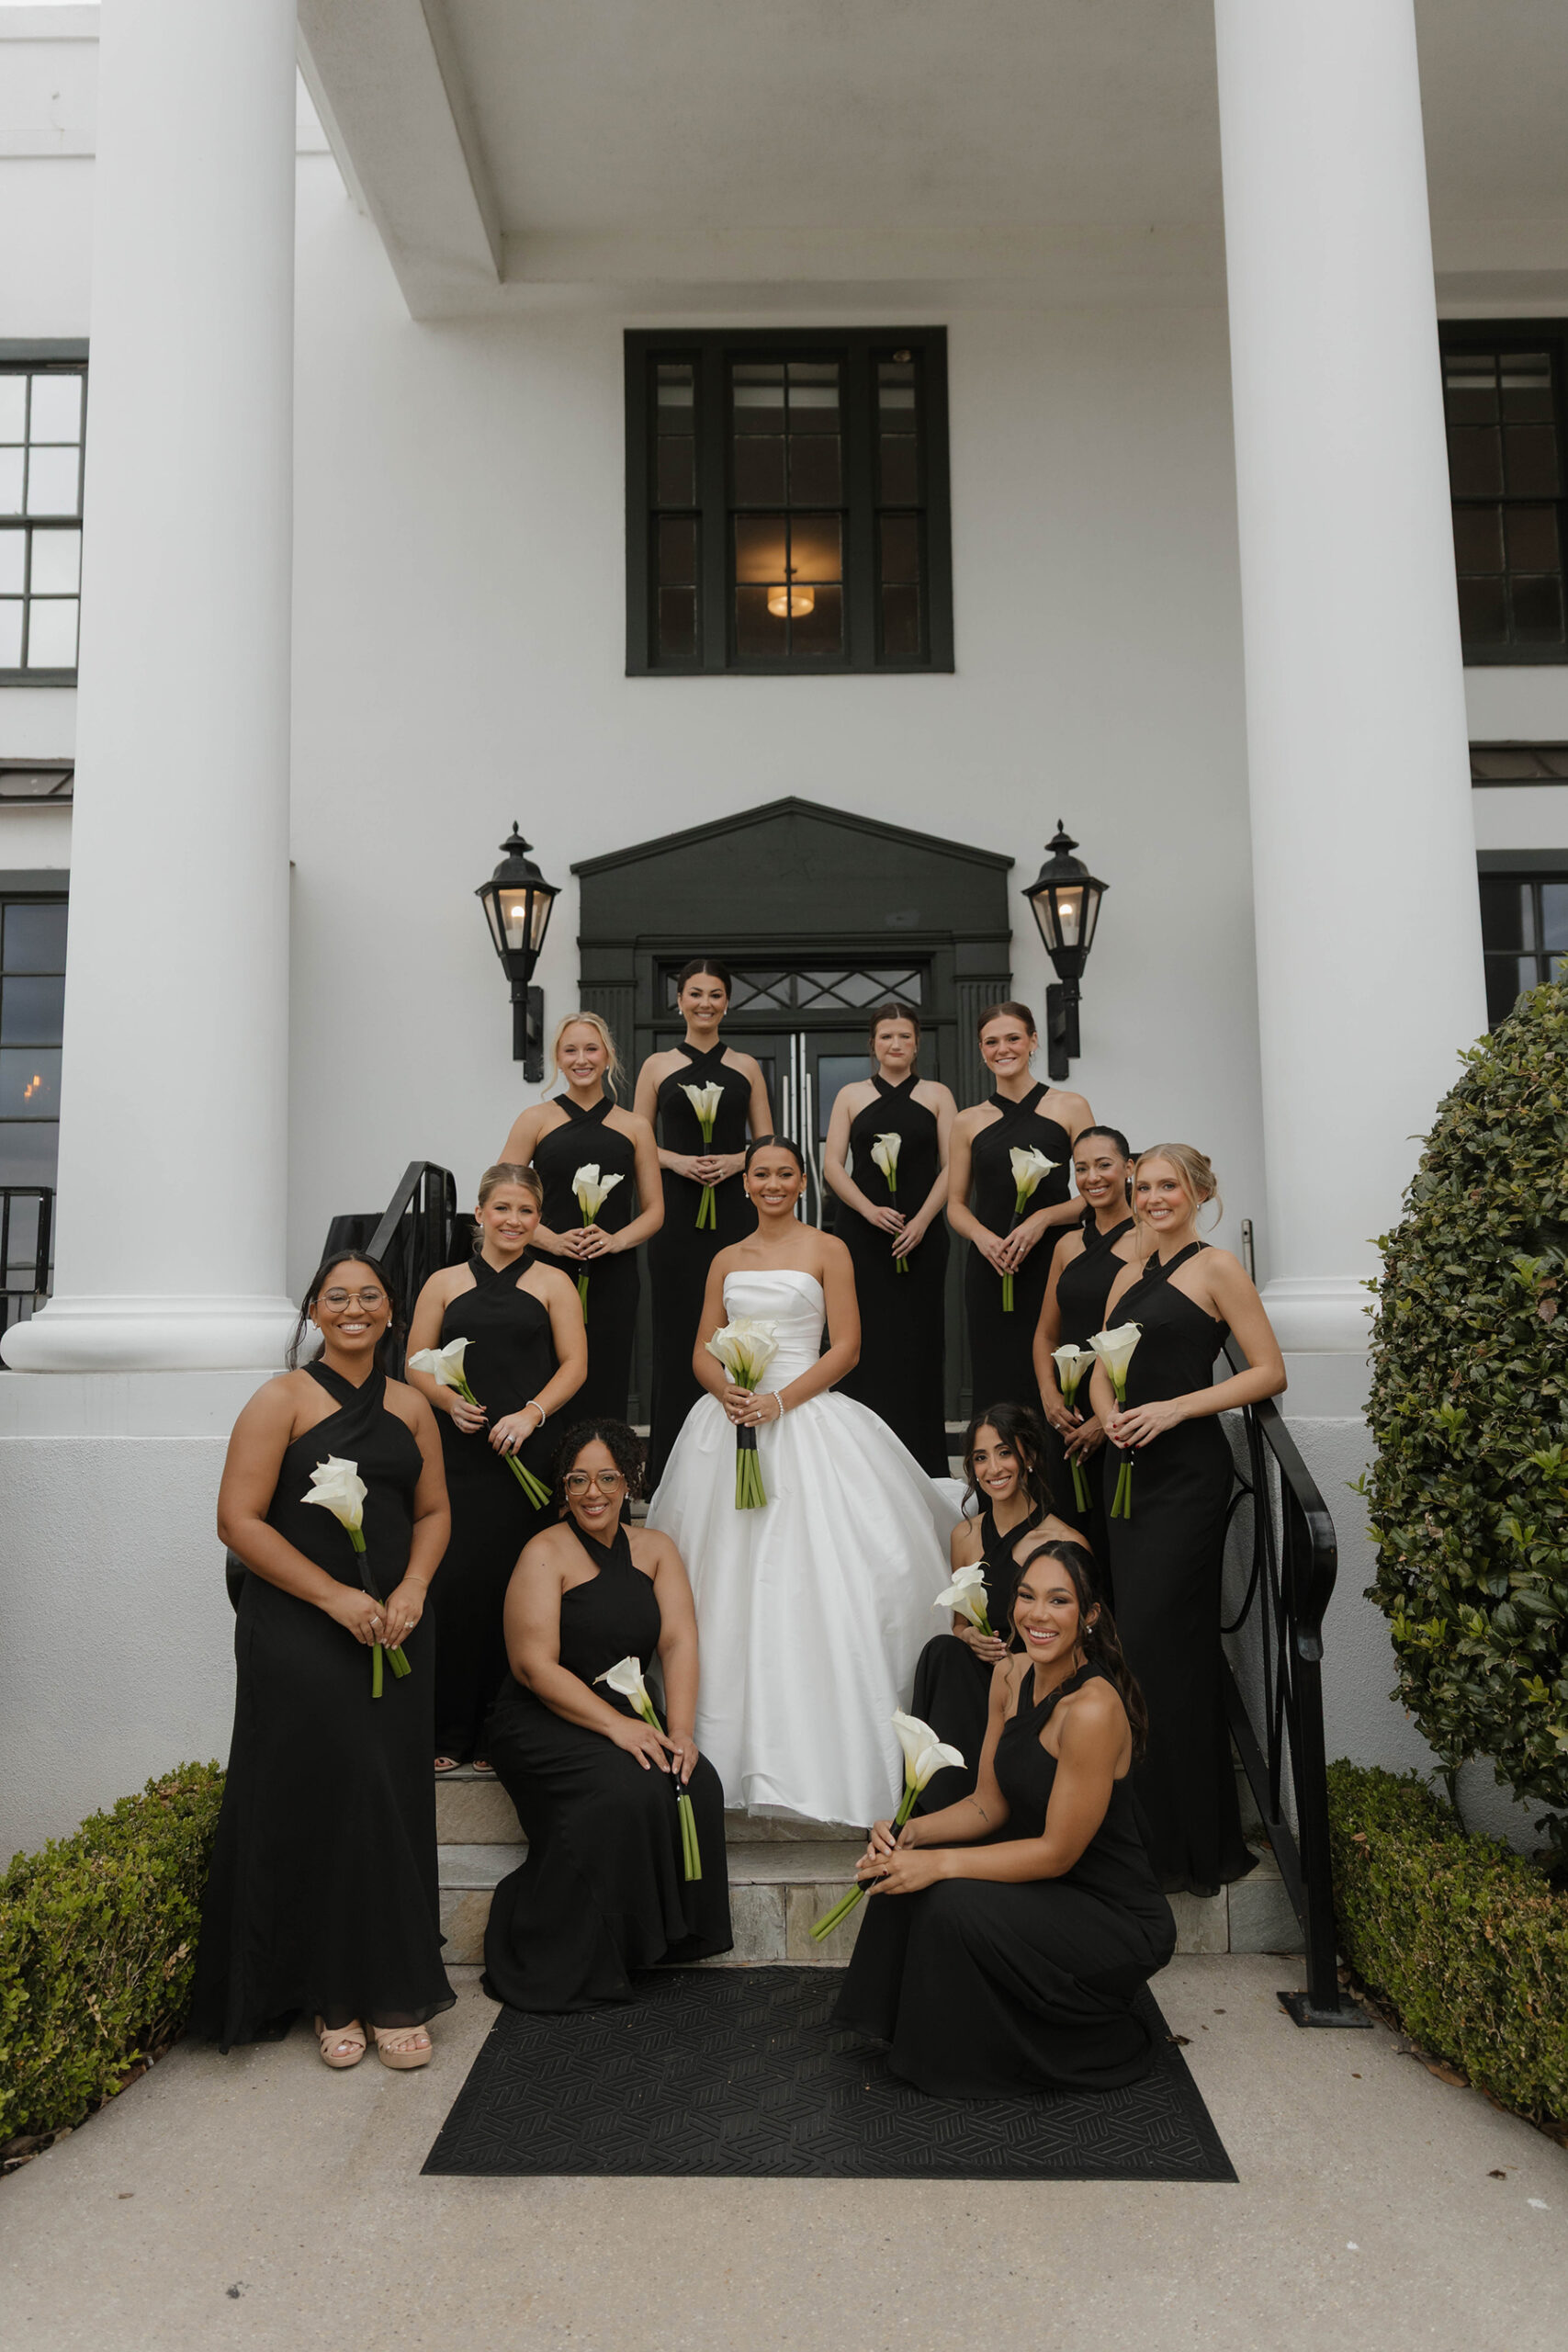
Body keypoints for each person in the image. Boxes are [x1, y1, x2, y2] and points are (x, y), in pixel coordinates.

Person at [648, 1136, 964, 1828]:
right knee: (722, 1573)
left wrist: (778, 1402)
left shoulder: (829, 1249)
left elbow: (846, 1346)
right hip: (729, 1419)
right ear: (745, 1183)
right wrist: (728, 1392)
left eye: (783, 1174)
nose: (770, 1183)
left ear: (800, 1183)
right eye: (759, 1173)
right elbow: (701, 1347)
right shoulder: (726, 1258)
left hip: (802, 1409)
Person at [191, 1254, 454, 2070]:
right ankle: (331, 1995)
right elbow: (238, 1521)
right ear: (313, 1310)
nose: (353, 1308)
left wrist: (413, 1586)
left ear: (391, 1311)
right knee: (326, 1792)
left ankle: (391, 1985)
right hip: (300, 1630)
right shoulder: (281, 1399)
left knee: (387, 1798)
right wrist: (335, 1597)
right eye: (336, 1296)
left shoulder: (412, 1405)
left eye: (369, 1296)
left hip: (396, 1630)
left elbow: (434, 1511)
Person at [833, 1540, 1176, 2098]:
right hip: (1049, 1890)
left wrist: (939, 1866)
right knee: (906, 1866)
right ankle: (895, 2025)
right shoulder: (1010, 1674)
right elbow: (988, 1803)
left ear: (1089, 1615)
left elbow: (1056, 1853)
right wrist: (911, 1833)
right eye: (1026, 1596)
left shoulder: (1091, 1709)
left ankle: (974, 2052)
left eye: (1059, 1600)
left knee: (947, 1895)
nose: (1038, 1615)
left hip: (1111, 1915)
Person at [1090, 1144, 1286, 1896]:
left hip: (1186, 1476)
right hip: (1126, 1472)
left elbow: (1266, 1371)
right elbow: (1101, 1369)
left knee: (1162, 1647)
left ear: (1199, 1192)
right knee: (1137, 1650)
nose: (1151, 1198)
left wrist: (1175, 1408)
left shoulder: (1216, 1269)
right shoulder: (1125, 1275)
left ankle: (1191, 1846)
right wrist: (1108, 1415)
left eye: (1166, 1186)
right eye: (1142, 1187)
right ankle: (1145, 1836)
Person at [481, 1420, 732, 2009]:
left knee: (695, 1781)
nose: (592, 1492)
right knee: (624, 1792)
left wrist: (680, 1731)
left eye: (607, 1478)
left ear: (629, 1482)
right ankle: (567, 1947)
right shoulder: (544, 1552)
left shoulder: (657, 1550)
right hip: (541, 1715)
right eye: (578, 1480)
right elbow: (532, 1667)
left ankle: (663, 1941)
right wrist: (617, 1727)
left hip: (627, 1710)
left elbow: (678, 1643)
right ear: (563, 1486)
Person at [407, 1165, 586, 1773]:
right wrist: (447, 1401)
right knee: (455, 1585)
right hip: (458, 1455)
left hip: (528, 1452)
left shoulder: (555, 1282)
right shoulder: (443, 1282)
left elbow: (575, 1364)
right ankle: (448, 1730)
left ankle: (499, 1733)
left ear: (539, 1220)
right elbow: (414, 1362)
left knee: (519, 1589)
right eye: (503, 1209)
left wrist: (532, 1415)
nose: (514, 1221)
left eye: (526, 1211)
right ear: (480, 1214)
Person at [910, 1402, 1091, 1814]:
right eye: (980, 1457)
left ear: (1028, 1457)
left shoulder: (1066, 1543)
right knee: (942, 1651)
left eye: (1004, 1452)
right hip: (980, 1679)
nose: (993, 1468)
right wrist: (969, 1638)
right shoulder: (964, 1537)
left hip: (1034, 1686)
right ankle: (936, 1807)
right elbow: (959, 1624)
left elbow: (1083, 1643)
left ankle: (977, 1811)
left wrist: (1024, 1662)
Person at [634, 959, 772, 1487]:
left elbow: (767, 1143)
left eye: (715, 994)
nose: (705, 1003)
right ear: (679, 1001)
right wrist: (678, 1162)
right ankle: (672, 1472)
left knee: (736, 1329)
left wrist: (737, 1162)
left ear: (727, 1003)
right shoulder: (656, 1066)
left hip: (735, 1211)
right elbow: (636, 1140)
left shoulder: (746, 1066)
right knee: (678, 1334)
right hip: (675, 1215)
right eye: (695, 993)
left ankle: (738, 1458)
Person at [501, 1012, 663, 1425]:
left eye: (591, 1049)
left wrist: (616, 1240)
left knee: (606, 1372)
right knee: (544, 1370)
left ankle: (603, 1462)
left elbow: (655, 1211)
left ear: (607, 1056)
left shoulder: (635, 1126)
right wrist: (551, 1240)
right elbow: (500, 1198)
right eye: (570, 1050)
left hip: (614, 1275)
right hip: (544, 1271)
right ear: (558, 1058)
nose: (581, 1059)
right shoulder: (534, 1120)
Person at [824, 1000, 955, 1475]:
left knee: (919, 1344)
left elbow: (953, 1165)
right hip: (864, 1238)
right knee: (867, 1342)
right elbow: (832, 1165)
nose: (895, 1044)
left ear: (917, 1044)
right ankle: (862, 1462)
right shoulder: (850, 1095)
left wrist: (921, 1221)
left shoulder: (938, 1095)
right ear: (872, 1044)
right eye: (886, 1036)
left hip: (923, 1239)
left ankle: (924, 1462)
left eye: (904, 1036)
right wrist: (868, 1210)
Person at [948, 1001, 1093, 1422]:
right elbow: (956, 1205)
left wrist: (1042, 1219)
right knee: (997, 1377)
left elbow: (1097, 1193)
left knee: (1058, 1373)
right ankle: (1002, 1461)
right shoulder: (967, 1121)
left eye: (1013, 1038)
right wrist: (982, 1238)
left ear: (1033, 1041)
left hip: (1055, 1261)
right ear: (981, 1050)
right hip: (992, 1266)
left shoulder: (1070, 1106)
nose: (1003, 1049)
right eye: (991, 1042)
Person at [1033, 1125, 1146, 1560]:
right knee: (1069, 1538)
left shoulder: (1149, 1240)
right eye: (1081, 1168)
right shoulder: (1066, 1245)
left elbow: (1150, 1339)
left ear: (1128, 1168)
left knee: (1116, 1536)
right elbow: (1046, 1333)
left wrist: (1105, 1419)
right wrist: (1049, 1397)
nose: (1092, 1177)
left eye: (1103, 1165)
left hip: (1123, 1412)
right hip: (1066, 1414)